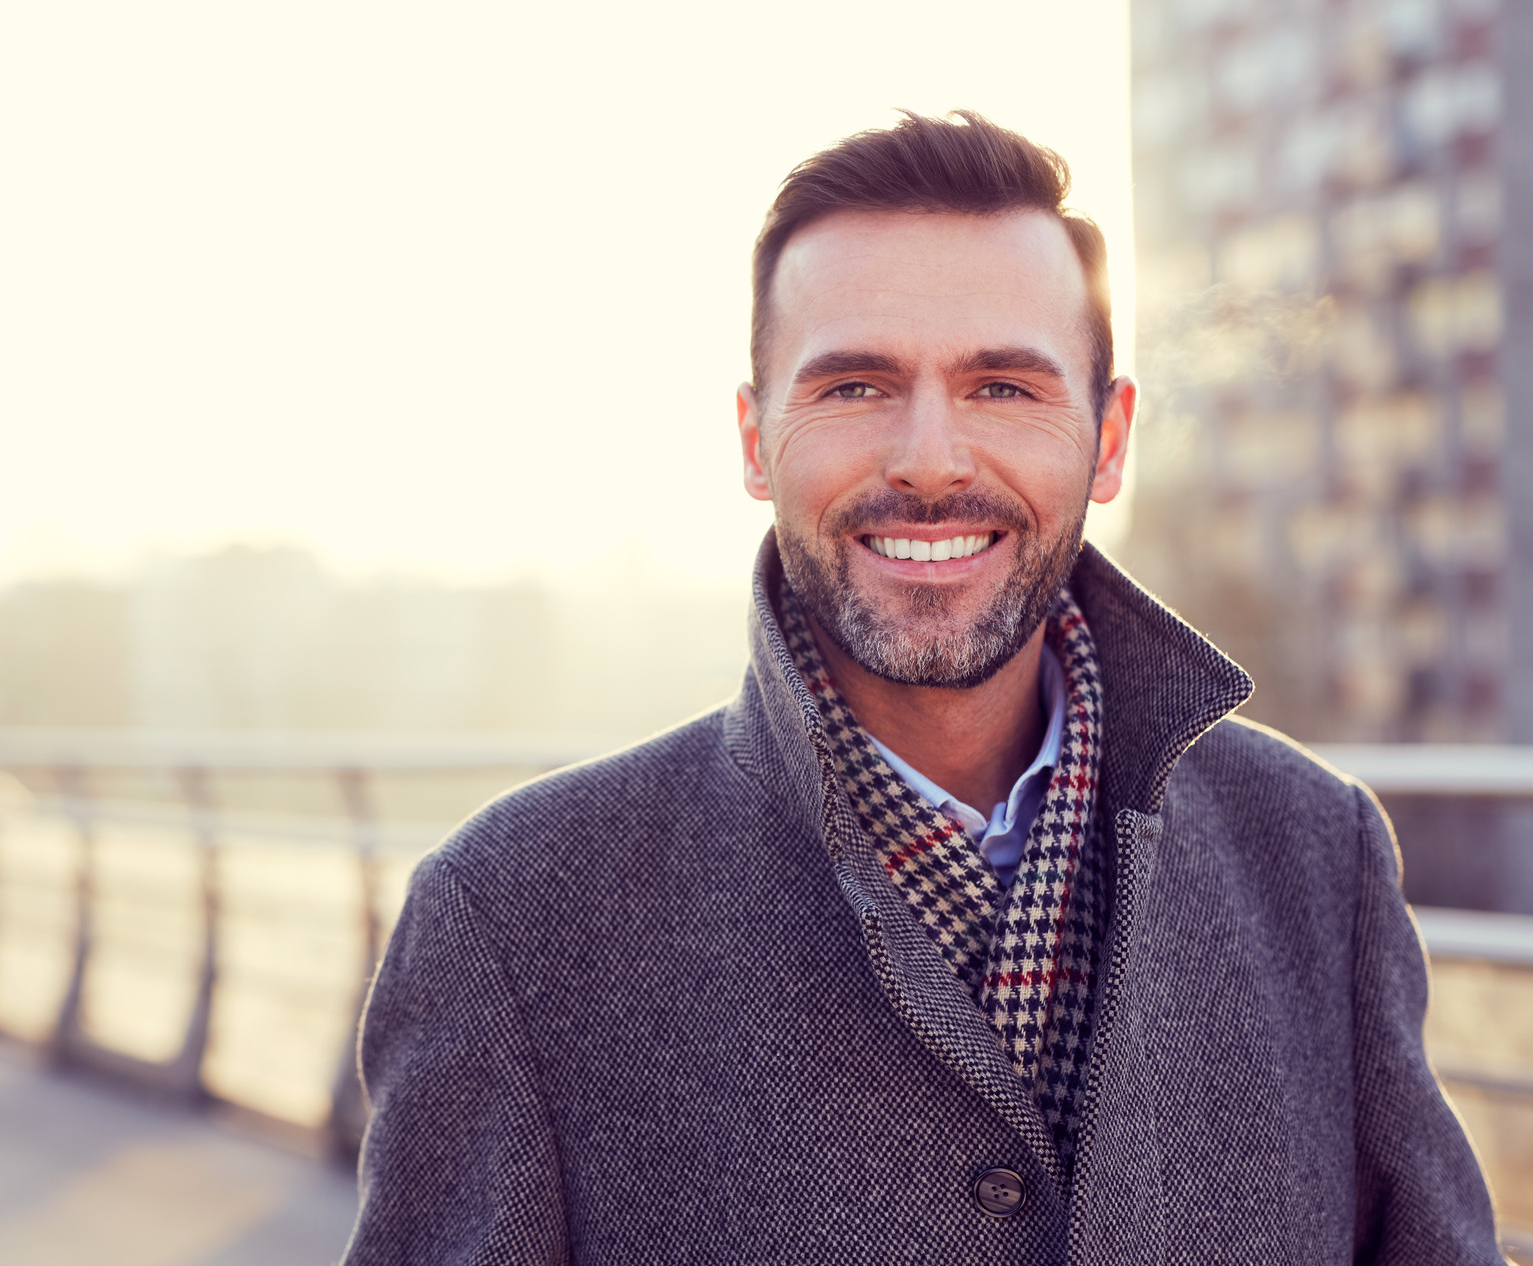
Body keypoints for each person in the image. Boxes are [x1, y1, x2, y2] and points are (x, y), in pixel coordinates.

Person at [341, 112, 1505, 1264]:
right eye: (854, 387)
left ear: (1107, 439)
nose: (931, 460)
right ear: (755, 439)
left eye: (1003, 387)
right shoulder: (513, 920)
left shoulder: (1315, 856)